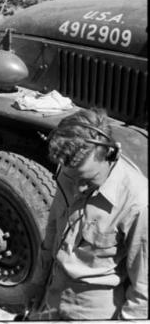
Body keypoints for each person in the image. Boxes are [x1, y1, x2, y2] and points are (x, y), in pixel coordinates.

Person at [26, 108, 148, 320]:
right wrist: (37, 282)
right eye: (72, 179)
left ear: (111, 154)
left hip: (94, 312)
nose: (77, 190)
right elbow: (53, 230)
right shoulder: (70, 171)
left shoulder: (138, 202)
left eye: (87, 180)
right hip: (52, 297)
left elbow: (144, 289)